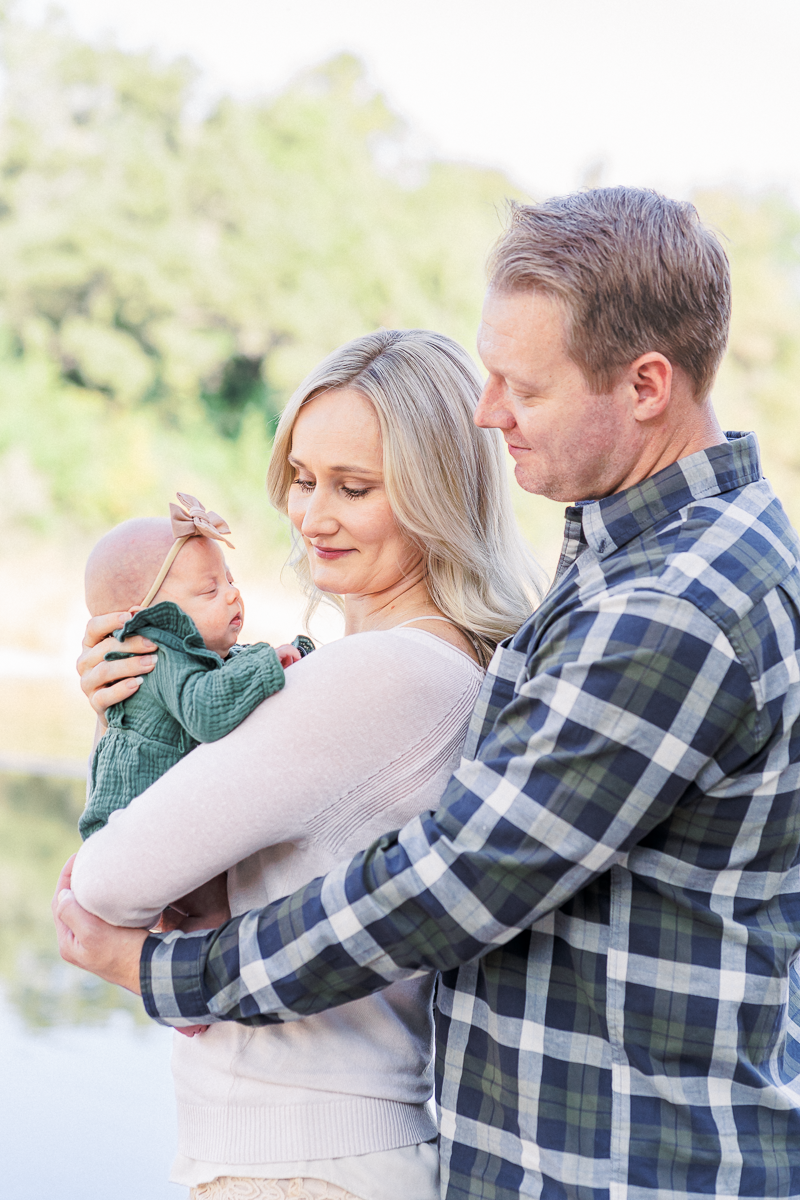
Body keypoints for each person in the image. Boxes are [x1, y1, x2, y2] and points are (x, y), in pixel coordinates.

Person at [55, 186, 800, 1200]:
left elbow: (456, 882)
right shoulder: (629, 570)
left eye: (522, 388)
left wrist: (164, 973)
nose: (489, 411)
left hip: (618, 1166)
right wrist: (143, 716)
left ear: (644, 385)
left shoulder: (674, 604)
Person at [56, 329, 541, 1200]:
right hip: (328, 1154)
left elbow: (106, 878)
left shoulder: (384, 675)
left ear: (438, 495)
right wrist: (130, 716)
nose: (313, 517)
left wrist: (136, 925)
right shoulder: (419, 667)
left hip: (296, 1163)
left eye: (353, 488)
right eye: (304, 480)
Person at [79, 492, 300, 841]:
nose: (232, 595)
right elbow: (206, 708)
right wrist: (265, 663)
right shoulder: (158, 656)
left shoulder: (192, 657)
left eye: (230, 580)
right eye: (209, 590)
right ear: (150, 618)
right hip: (127, 836)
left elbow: (224, 672)